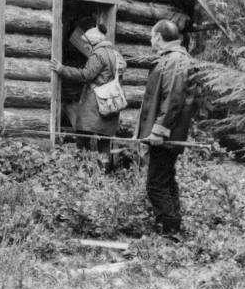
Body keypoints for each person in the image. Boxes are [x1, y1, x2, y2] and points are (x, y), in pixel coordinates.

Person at [136, 19, 197, 236]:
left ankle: (170, 233)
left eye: (152, 36)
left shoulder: (175, 60)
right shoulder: (173, 58)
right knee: (166, 180)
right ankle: (175, 228)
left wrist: (158, 131)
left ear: (159, 37)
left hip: (166, 135)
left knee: (155, 185)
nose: (151, 40)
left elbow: (172, 98)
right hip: (168, 133)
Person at [50, 18, 127, 168]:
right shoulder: (115, 54)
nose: (84, 45)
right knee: (104, 140)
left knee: (83, 135)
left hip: (95, 105)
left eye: (86, 42)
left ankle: (83, 170)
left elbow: (86, 75)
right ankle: (104, 171)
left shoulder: (97, 54)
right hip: (111, 103)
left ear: (93, 42)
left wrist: (62, 69)